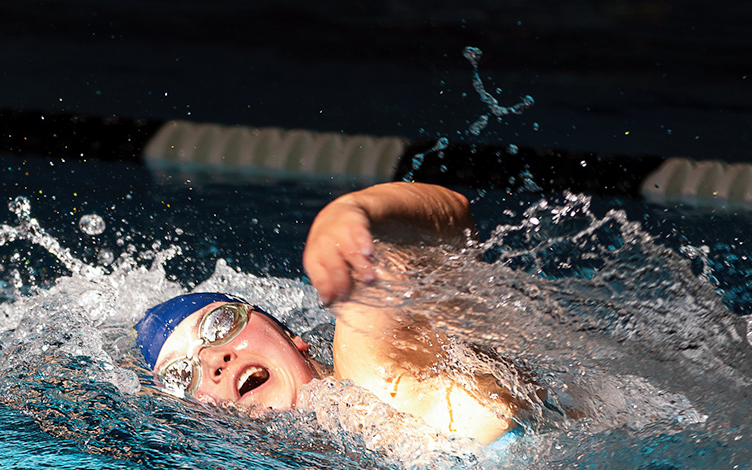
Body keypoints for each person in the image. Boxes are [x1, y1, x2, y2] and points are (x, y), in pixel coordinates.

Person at [135, 182, 525, 446]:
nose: (211, 359)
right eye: (181, 374)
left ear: (292, 338)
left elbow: (452, 222)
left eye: (220, 324)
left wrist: (345, 214)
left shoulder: (375, 376)